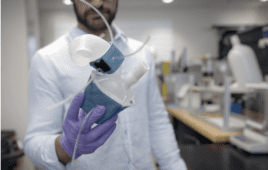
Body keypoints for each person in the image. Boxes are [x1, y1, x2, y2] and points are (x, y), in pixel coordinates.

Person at [23, 0, 187, 169]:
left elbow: (157, 122)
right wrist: (66, 147)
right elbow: (34, 142)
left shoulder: (141, 54)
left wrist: (175, 165)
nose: (98, 3)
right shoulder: (48, 60)